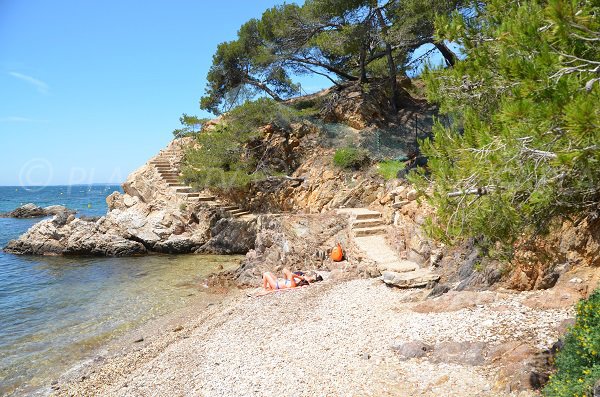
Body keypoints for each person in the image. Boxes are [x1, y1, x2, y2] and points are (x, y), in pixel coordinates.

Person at [257, 269, 322, 295]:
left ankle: (264, 288)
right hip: (278, 283)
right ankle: (266, 286)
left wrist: (300, 277)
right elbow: (285, 271)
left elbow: (291, 274)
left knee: (265, 274)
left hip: (275, 285)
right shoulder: (293, 284)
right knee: (268, 273)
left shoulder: (293, 283)